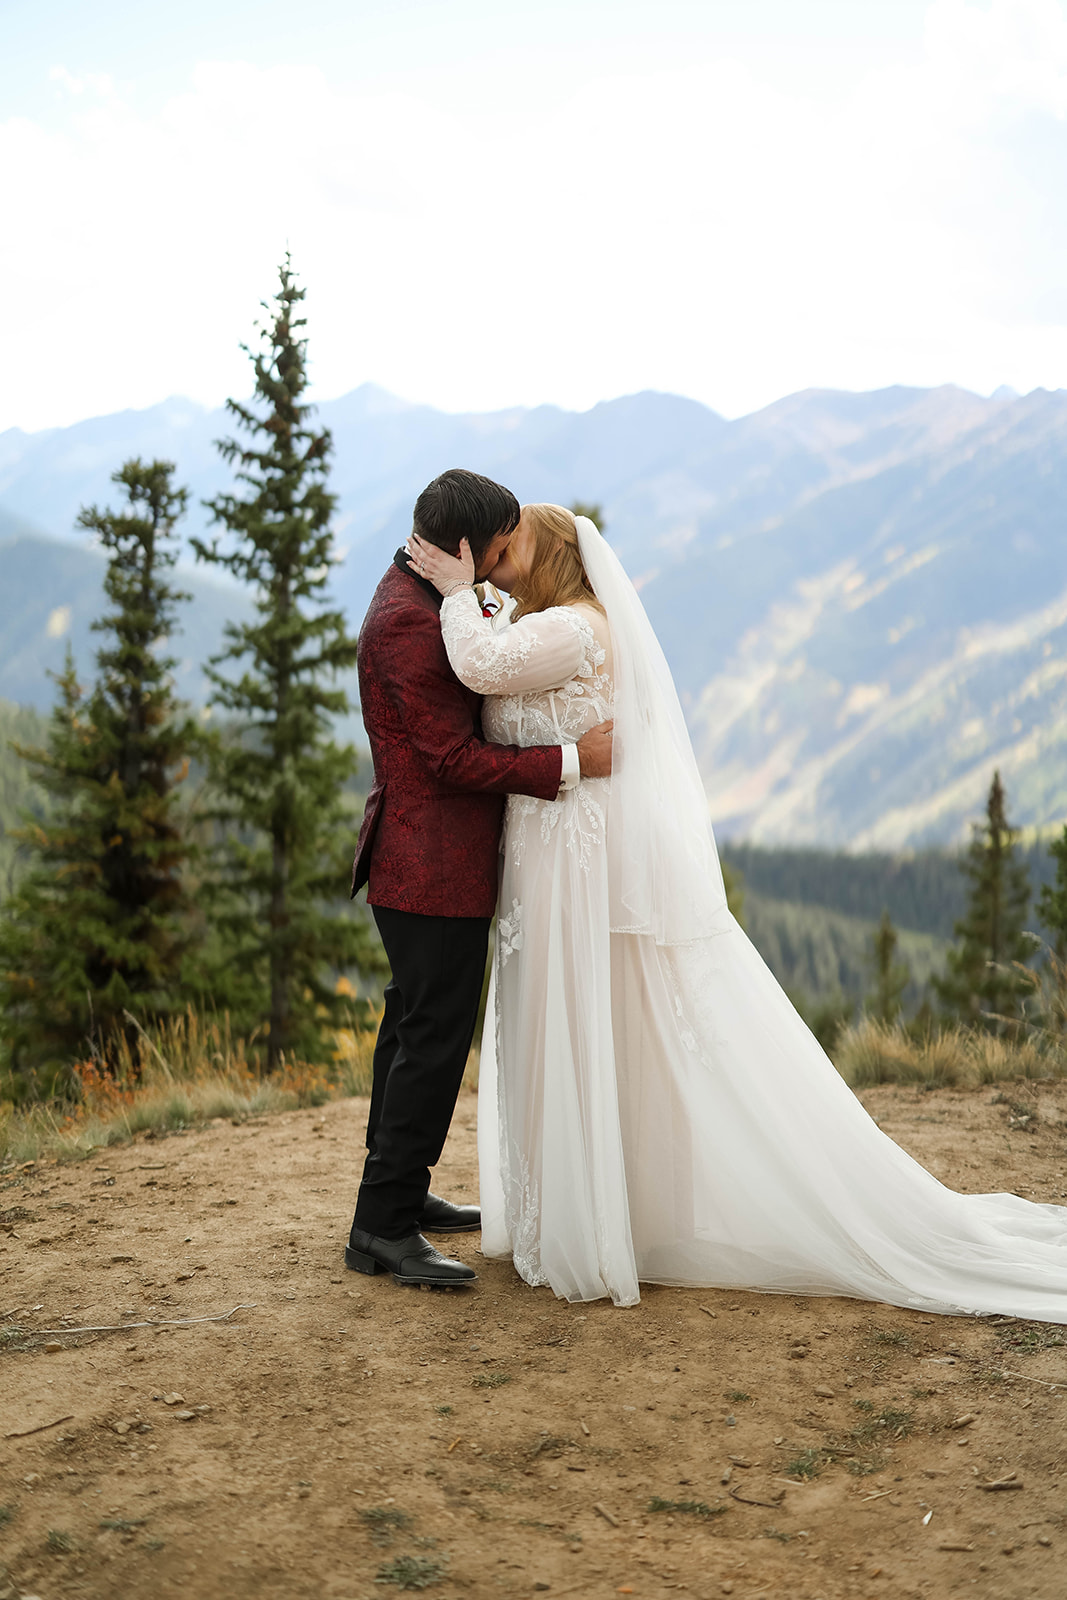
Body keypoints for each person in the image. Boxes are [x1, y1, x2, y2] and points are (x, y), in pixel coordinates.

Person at [407, 504, 1067, 1320]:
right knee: (574, 1019)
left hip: (575, 855)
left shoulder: (574, 631)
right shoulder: (544, 624)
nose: (501, 568)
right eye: (494, 557)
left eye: (516, 554)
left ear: (554, 560)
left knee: (591, 1015)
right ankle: (602, 1209)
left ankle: (607, 1220)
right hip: (548, 854)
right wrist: (481, 596)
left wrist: (453, 586)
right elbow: (500, 669)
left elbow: (476, 667)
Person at [346, 471, 613, 1290]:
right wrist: (572, 761)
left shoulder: (426, 601)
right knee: (431, 1039)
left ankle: (400, 1195)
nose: (504, 570)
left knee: (412, 1027)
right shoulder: (405, 624)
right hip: (428, 866)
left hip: (430, 863)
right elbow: (448, 759)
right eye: (497, 553)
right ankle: (382, 1228)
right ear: (463, 550)